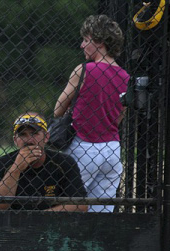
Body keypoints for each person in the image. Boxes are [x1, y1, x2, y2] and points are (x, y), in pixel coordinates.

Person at [54, 15, 130, 213]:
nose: (82, 45)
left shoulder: (84, 69)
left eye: (86, 40)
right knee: (102, 210)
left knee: (69, 203)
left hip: (83, 144)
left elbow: (58, 109)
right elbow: (120, 116)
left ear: (99, 42)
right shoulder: (125, 76)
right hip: (112, 147)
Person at [0, 112, 87, 212]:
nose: (29, 140)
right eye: (22, 134)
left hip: (51, 225)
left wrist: (39, 219)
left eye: (34, 133)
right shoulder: (2, 164)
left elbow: (81, 205)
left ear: (46, 137)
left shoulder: (63, 163)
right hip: (12, 226)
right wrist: (16, 169)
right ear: (15, 140)